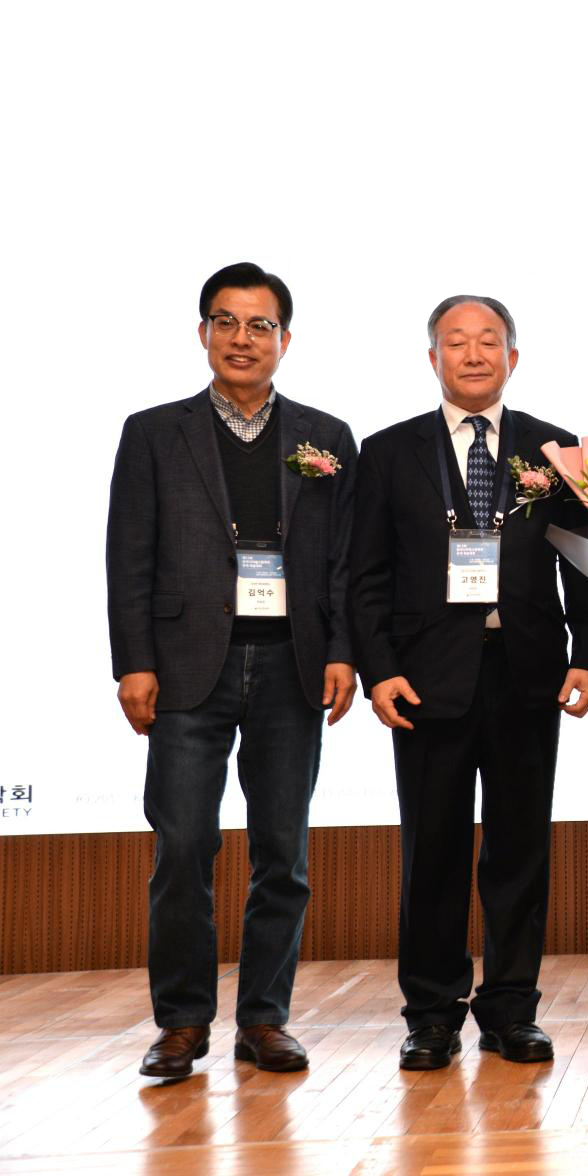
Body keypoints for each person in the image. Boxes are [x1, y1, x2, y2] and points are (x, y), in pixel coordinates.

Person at [107, 262, 357, 1080]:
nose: (241, 338)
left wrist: (344, 650)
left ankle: (264, 1019)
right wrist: (134, 663)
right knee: (183, 846)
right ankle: (181, 1022)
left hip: (291, 663)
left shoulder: (327, 436)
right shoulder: (154, 432)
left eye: (259, 325)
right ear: (203, 332)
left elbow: (345, 562)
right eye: (225, 322)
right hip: (186, 669)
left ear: (285, 338)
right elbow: (128, 555)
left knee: (282, 852)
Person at [349, 295, 588, 1070]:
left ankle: (510, 1010)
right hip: (426, 681)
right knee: (431, 854)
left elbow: (585, 561)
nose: (472, 355)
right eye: (456, 342)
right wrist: (379, 670)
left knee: (519, 852)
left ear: (512, 358)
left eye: (488, 342)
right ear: (433, 358)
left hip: (528, 673)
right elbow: (367, 575)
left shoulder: (554, 449)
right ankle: (431, 1016)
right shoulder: (388, 451)